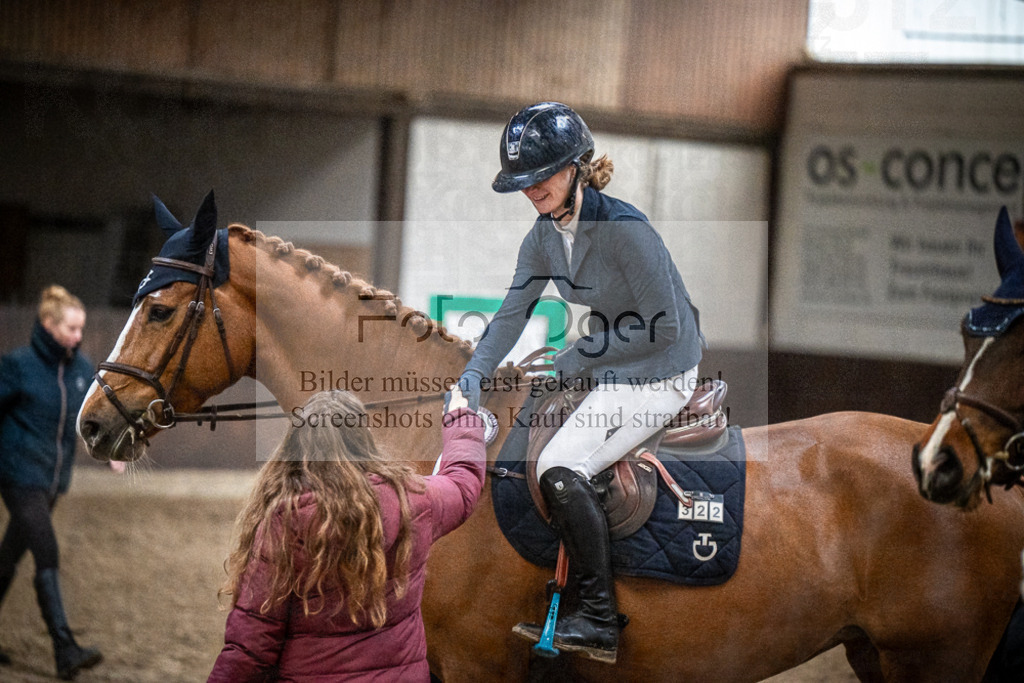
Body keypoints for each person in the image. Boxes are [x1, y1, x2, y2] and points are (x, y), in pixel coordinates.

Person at [454, 101, 703, 664]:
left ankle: (597, 617)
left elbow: (663, 328)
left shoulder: (626, 230)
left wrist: (577, 355)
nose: (531, 190)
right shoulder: (543, 237)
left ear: (575, 168)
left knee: (557, 466)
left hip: (664, 367)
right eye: (522, 181)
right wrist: (473, 374)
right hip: (613, 360)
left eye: (541, 176)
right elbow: (512, 314)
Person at [208, 386, 485, 682]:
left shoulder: (284, 522)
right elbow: (463, 478)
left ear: (297, 444)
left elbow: (250, 648)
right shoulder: (413, 500)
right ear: (363, 439)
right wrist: (460, 416)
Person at [0, 284, 104, 679]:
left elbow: (90, 421)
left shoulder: (81, 371)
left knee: (9, 556)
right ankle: (65, 649)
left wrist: (110, 453)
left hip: (52, 480)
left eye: (81, 330)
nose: (78, 337)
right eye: (72, 329)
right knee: (47, 552)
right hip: (18, 476)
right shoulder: (17, 366)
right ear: (48, 324)